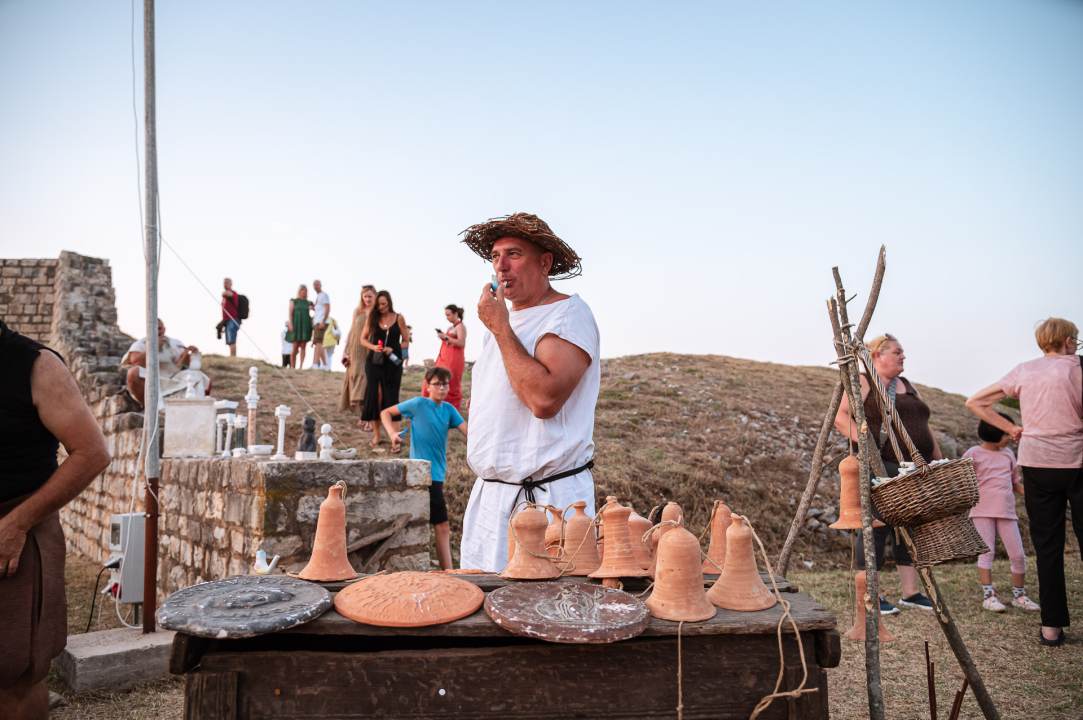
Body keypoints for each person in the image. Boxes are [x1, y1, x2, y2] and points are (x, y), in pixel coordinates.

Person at [457, 213, 599, 573]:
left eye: (514, 254)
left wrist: (501, 327)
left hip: (548, 506)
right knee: (485, 618)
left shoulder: (568, 315)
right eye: (494, 256)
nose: (500, 266)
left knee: (552, 618)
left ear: (545, 262)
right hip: (491, 502)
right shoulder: (499, 323)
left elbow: (544, 399)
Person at [0, 320, 112, 718]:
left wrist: (17, 524)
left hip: (14, 532)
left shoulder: (35, 365)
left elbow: (92, 452)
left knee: (12, 674)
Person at [966, 318, 1081, 646]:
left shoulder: (1023, 370)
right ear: (1069, 342)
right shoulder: (1077, 366)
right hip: (1076, 460)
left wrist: (1013, 428)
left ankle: (1051, 629)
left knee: (1047, 547)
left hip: (1035, 464)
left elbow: (975, 402)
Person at [834, 333, 942, 614]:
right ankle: (873, 593)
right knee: (877, 527)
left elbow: (923, 425)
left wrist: (937, 459)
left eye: (902, 351)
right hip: (880, 464)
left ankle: (911, 593)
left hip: (913, 468)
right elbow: (841, 416)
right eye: (897, 351)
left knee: (909, 525)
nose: (903, 356)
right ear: (877, 356)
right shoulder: (863, 381)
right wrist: (866, 443)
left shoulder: (906, 385)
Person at [381, 366, 468, 570]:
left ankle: (445, 571)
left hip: (438, 475)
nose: (441, 388)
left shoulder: (449, 410)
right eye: (437, 384)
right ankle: (449, 573)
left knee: (437, 525)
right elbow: (386, 412)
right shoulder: (419, 404)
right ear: (428, 386)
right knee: (442, 525)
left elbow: (469, 433)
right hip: (422, 474)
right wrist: (392, 435)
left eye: (445, 384)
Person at [963, 411, 1038, 612]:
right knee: (987, 553)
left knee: (1018, 554)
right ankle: (989, 597)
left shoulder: (1008, 454)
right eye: (1006, 433)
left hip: (1006, 511)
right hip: (982, 511)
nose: (1011, 437)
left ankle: (1019, 596)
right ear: (992, 431)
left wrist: (1037, 496)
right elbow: (961, 479)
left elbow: (1015, 482)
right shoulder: (973, 453)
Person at [359, 291, 409, 447]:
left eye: (384, 304)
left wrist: (392, 349)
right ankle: (377, 436)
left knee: (391, 398)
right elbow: (363, 339)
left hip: (392, 363)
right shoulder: (373, 318)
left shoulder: (398, 318)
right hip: (374, 361)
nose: (381, 307)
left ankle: (396, 440)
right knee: (375, 397)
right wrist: (374, 347)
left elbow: (406, 342)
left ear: (389, 303)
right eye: (378, 304)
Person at [122, 319, 209, 405]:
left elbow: (186, 363)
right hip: (151, 380)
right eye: (153, 329)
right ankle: (148, 407)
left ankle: (197, 405)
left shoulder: (174, 343)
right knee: (134, 373)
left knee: (198, 376)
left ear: (164, 329)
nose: (157, 332)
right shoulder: (140, 344)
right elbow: (135, 362)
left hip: (172, 379)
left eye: (159, 328)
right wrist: (153, 347)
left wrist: (191, 353)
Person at [340, 286, 377, 430]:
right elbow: (351, 331)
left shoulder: (377, 312)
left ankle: (368, 417)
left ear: (375, 296)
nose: (367, 299)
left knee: (367, 381)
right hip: (355, 350)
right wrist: (345, 351)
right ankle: (363, 414)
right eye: (365, 296)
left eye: (370, 296)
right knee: (357, 380)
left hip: (369, 349)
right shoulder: (357, 311)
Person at [423, 304, 467, 410]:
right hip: (444, 358)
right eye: (446, 315)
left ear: (456, 314)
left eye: (448, 315)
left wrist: (446, 337)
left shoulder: (460, 326)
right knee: (431, 380)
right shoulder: (451, 327)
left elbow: (461, 342)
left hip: (454, 360)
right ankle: (432, 405)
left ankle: (451, 409)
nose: (447, 318)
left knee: (450, 383)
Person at [287, 285, 313, 369]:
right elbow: (290, 313)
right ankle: (292, 365)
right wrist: (290, 324)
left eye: (305, 290)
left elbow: (319, 310)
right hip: (296, 325)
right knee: (295, 346)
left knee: (303, 346)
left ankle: (301, 366)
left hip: (305, 325)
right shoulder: (294, 301)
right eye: (302, 290)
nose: (304, 291)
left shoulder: (309, 303)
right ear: (299, 291)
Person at [311, 279, 330, 369]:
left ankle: (315, 364)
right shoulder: (318, 296)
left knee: (318, 342)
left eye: (317, 284)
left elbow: (327, 308)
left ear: (320, 285)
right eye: (314, 284)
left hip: (321, 321)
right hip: (317, 321)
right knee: (319, 342)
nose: (316, 286)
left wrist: (323, 322)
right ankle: (325, 365)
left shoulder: (324, 295)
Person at [221, 277, 240, 357]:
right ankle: (232, 355)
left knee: (232, 340)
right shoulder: (225, 298)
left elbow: (225, 293)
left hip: (233, 319)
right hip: (227, 320)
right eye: (224, 282)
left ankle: (233, 356)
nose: (225, 284)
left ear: (231, 284)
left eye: (227, 282)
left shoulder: (232, 293)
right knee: (229, 341)